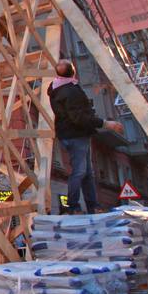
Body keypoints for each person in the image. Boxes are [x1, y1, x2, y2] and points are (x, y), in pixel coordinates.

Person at [48, 60, 121, 213]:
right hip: (76, 134)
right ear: (73, 71)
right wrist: (106, 124)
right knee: (80, 171)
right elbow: (79, 118)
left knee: (87, 172)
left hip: (69, 134)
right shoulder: (71, 91)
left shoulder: (56, 89)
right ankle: (74, 207)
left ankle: (92, 205)